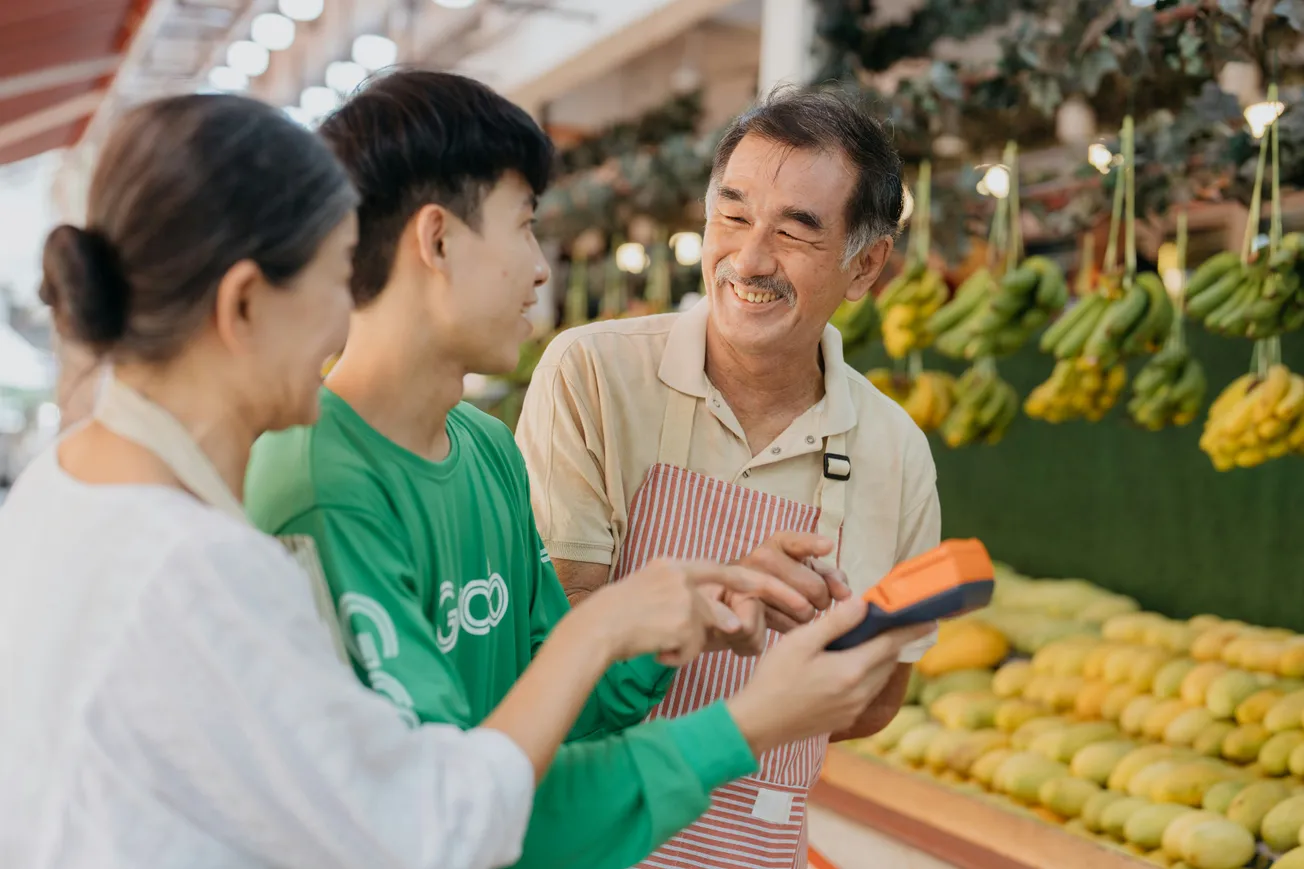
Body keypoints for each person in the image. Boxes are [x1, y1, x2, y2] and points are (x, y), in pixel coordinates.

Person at [0, 93, 843, 869]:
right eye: (336, 277)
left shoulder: (62, 494)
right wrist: (730, 705)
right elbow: (430, 829)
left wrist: (650, 624)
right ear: (246, 304)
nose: (345, 314)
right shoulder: (202, 567)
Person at [242, 70, 927, 869]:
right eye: (524, 226)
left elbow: (557, 711)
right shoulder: (317, 488)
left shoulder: (485, 452)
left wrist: (692, 610)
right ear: (436, 240)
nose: (541, 269)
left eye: (795, 229)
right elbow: (446, 813)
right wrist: (743, 723)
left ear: (865, 265)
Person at [515, 86, 942, 869]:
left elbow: (884, 692)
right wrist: (732, 652)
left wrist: (807, 685)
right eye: (734, 215)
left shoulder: (897, 451)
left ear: (867, 265)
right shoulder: (595, 375)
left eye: (795, 231)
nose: (749, 259)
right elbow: (555, 632)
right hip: (589, 839)